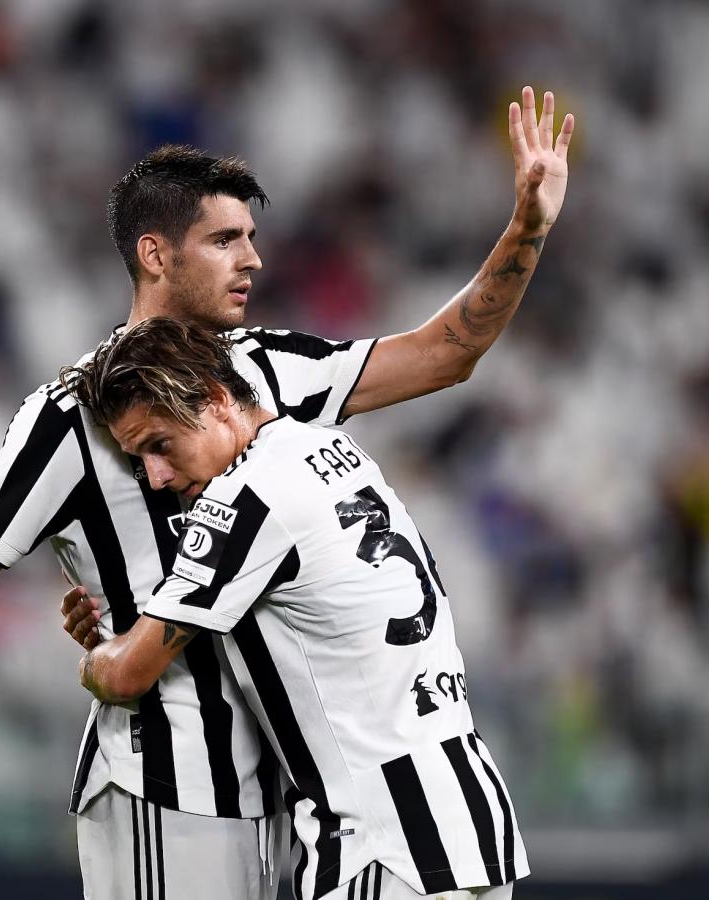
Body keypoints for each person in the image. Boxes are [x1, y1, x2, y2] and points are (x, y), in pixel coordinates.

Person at [0, 87, 573, 900]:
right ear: (157, 255)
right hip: (168, 783)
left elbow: (445, 353)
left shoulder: (272, 369)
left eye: (252, 238)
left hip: (293, 787)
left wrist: (526, 227)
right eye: (224, 240)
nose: (252, 260)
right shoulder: (65, 417)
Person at [64, 317, 527, 900]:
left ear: (215, 399)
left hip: (383, 844)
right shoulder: (332, 447)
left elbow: (127, 673)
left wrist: (96, 654)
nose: (156, 478)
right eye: (139, 459)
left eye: (160, 445)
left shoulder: (243, 500)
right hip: (472, 817)